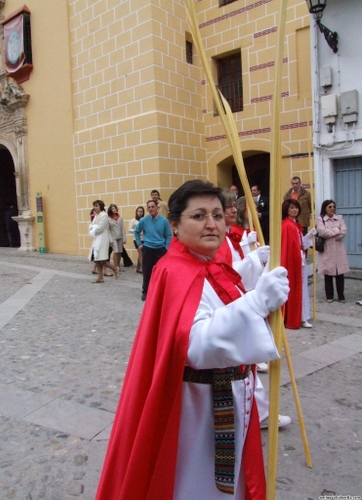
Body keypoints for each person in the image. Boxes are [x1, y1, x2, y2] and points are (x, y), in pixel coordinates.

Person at [95, 180, 289, 500]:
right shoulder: (174, 270)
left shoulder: (212, 265)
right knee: (199, 486)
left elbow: (226, 305)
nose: (212, 224)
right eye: (199, 216)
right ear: (175, 225)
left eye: (217, 214)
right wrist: (256, 303)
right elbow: (197, 346)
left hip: (232, 399)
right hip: (199, 410)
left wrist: (259, 289)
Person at [220, 190, 291, 428]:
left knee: (244, 365)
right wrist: (251, 260)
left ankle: (258, 412)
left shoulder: (230, 237)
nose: (233, 210)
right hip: (231, 304)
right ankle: (257, 414)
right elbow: (226, 274)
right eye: (228, 207)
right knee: (241, 363)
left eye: (233, 206)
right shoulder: (222, 240)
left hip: (238, 297)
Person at [281, 199, 316, 328]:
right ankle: (299, 317)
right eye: (291, 208)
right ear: (286, 209)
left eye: (296, 208)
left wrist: (308, 237)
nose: (295, 210)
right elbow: (290, 247)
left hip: (300, 260)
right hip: (296, 262)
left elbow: (300, 244)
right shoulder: (288, 225)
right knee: (297, 289)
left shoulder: (295, 225)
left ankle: (303, 315)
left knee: (302, 289)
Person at [134, 199, 172, 301]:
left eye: (153, 206)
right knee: (147, 271)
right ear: (147, 209)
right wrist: (139, 244)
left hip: (161, 249)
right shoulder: (143, 220)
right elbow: (136, 232)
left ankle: (162, 292)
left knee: (161, 272)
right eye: (149, 207)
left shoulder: (164, 221)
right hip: (148, 248)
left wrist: (166, 248)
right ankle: (145, 292)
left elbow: (168, 235)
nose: (151, 209)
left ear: (157, 207)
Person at [316, 200, 350, 303]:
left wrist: (331, 234)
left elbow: (343, 231)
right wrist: (336, 231)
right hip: (327, 249)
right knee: (328, 273)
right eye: (330, 206)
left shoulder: (339, 218)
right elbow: (322, 232)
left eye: (333, 206)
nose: (332, 208)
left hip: (339, 249)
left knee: (340, 273)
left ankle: (341, 296)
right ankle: (329, 295)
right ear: (325, 208)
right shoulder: (320, 219)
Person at [88, 200, 119, 283]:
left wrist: (93, 228)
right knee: (97, 260)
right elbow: (91, 225)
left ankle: (115, 268)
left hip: (102, 240)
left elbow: (99, 228)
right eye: (94, 205)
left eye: (97, 205)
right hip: (97, 240)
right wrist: (93, 228)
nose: (95, 207)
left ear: (101, 207)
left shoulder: (104, 216)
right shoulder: (96, 215)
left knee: (102, 260)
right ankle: (100, 277)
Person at [107, 204, 125, 271]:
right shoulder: (108, 219)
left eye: (115, 208)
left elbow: (122, 228)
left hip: (120, 236)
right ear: (110, 210)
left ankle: (118, 266)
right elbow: (108, 230)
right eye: (113, 209)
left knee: (120, 251)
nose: (114, 210)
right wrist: (110, 240)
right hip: (113, 237)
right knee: (116, 251)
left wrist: (124, 238)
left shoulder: (120, 218)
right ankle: (115, 267)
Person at [128, 206, 145, 273]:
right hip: (137, 239)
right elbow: (129, 230)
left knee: (140, 254)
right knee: (141, 253)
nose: (140, 213)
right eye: (139, 211)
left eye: (141, 211)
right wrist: (136, 230)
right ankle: (143, 268)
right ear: (136, 212)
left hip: (144, 238)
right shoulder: (133, 221)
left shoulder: (145, 220)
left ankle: (138, 268)